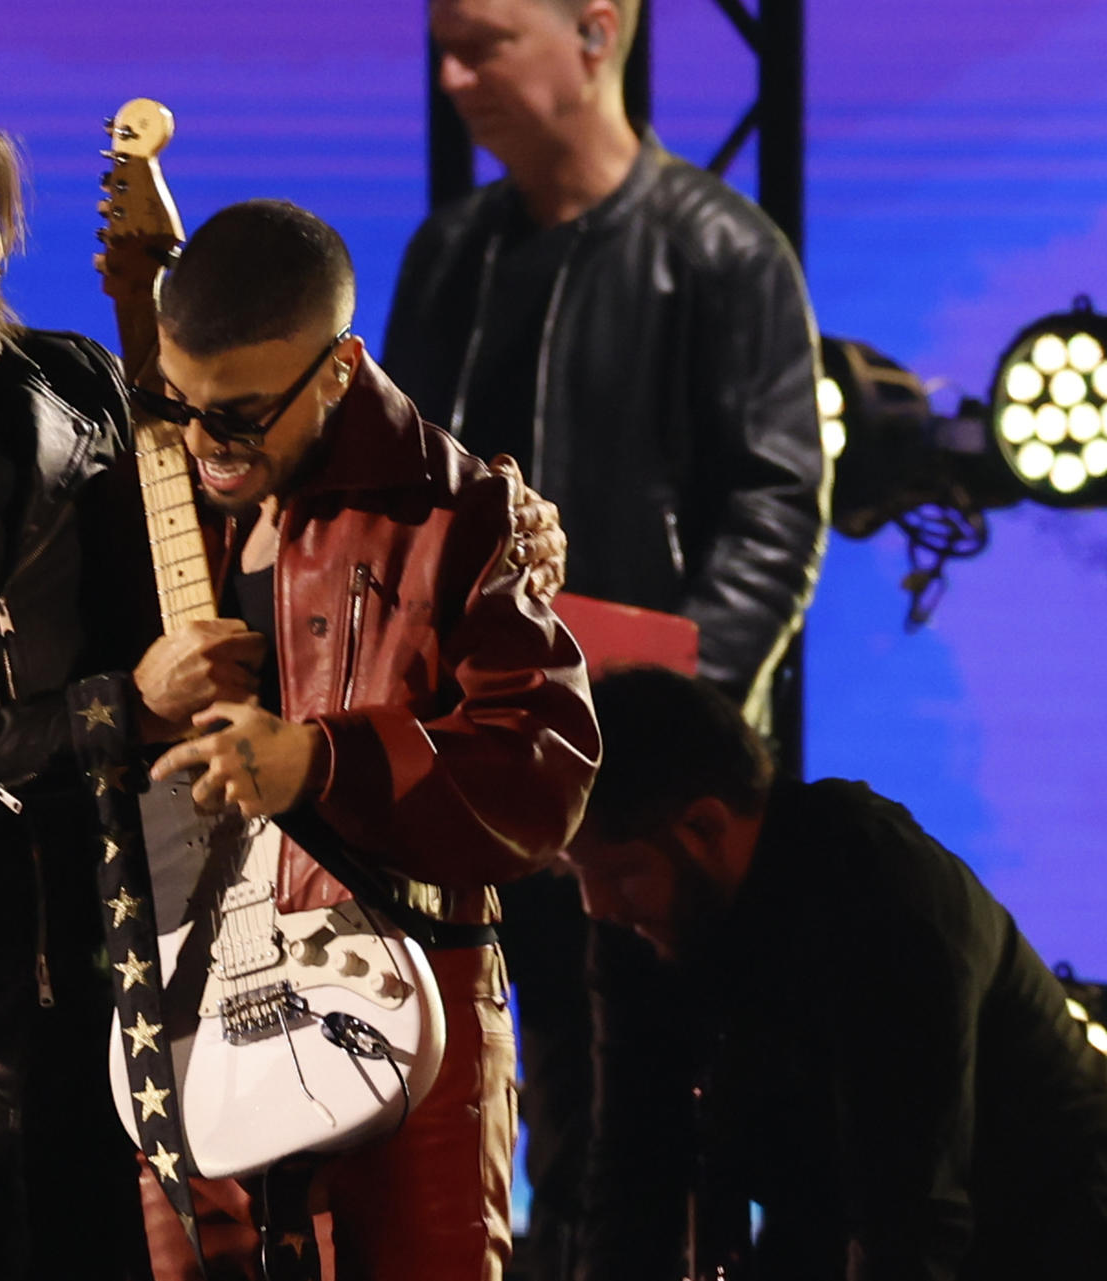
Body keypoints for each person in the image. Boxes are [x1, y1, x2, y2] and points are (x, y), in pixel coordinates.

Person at [0, 76, 567, 1281]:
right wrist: (122, 708)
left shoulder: (70, 393)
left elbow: (259, 461)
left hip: (101, 979)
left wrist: (489, 505)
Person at [382, 3, 832, 1266]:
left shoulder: (720, 252)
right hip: (469, 762)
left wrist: (651, 739)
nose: (453, 73)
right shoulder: (449, 254)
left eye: (484, 41)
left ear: (597, 29)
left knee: (629, 1121)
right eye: (444, 43)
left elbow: (777, 508)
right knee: (454, 1102)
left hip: (625, 790)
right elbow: (404, 488)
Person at [129, 199, 601, 1279]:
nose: (207, 443)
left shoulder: (454, 508)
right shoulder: (165, 494)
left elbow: (545, 771)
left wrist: (320, 760)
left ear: (340, 369)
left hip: (406, 1002)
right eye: (182, 405)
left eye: (240, 416)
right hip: (200, 1002)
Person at [562, 666, 1107, 1280]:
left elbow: (910, 1217)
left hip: (1045, 1228)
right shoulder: (647, 919)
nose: (596, 905)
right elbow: (633, 1168)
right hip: (840, 1220)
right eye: (579, 873)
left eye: (617, 873)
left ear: (704, 827)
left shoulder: (881, 893)